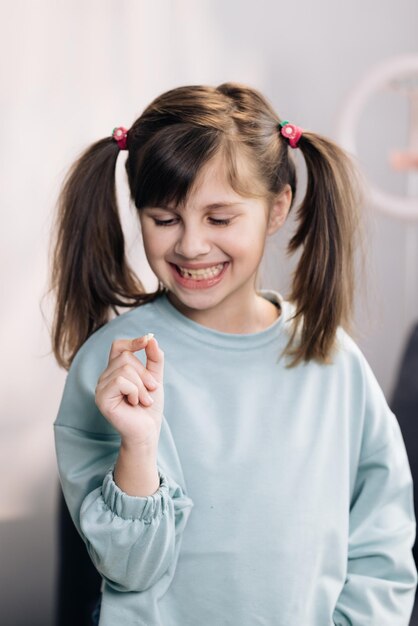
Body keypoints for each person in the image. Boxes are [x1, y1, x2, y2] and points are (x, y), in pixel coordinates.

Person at [49, 82, 417, 626]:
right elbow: (126, 569)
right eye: (164, 219)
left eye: (219, 219)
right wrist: (139, 446)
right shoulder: (111, 366)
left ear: (276, 210)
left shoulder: (332, 360)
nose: (191, 245)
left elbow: (382, 538)